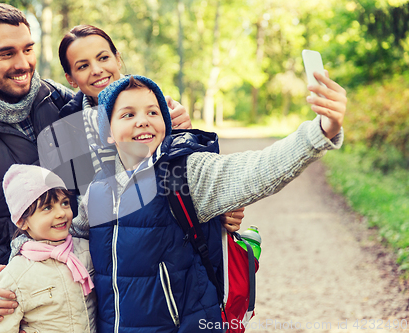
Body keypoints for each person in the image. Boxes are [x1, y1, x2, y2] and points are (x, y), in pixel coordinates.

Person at [0, 3, 190, 332]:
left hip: (82, 295)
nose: (23, 64)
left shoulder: (61, 103)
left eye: (28, 49)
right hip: (9, 303)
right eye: (7, 53)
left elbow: (129, 162)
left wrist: (175, 128)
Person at [65, 73, 346, 332]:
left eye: (153, 112)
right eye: (128, 114)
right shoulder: (96, 193)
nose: (143, 120)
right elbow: (69, 250)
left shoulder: (184, 172)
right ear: (109, 133)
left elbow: (257, 170)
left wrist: (321, 132)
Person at [57, 24, 245, 232]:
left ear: (117, 59)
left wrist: (223, 208)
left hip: (159, 231)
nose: (97, 70)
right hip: (99, 240)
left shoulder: (156, 104)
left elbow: (190, 172)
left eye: (103, 58)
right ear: (71, 79)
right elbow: (73, 201)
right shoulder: (67, 125)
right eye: (83, 66)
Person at [0, 164, 96, 333]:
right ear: (22, 221)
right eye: (48, 207)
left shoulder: (86, 250)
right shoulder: (16, 274)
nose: (61, 213)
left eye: (64, 203)